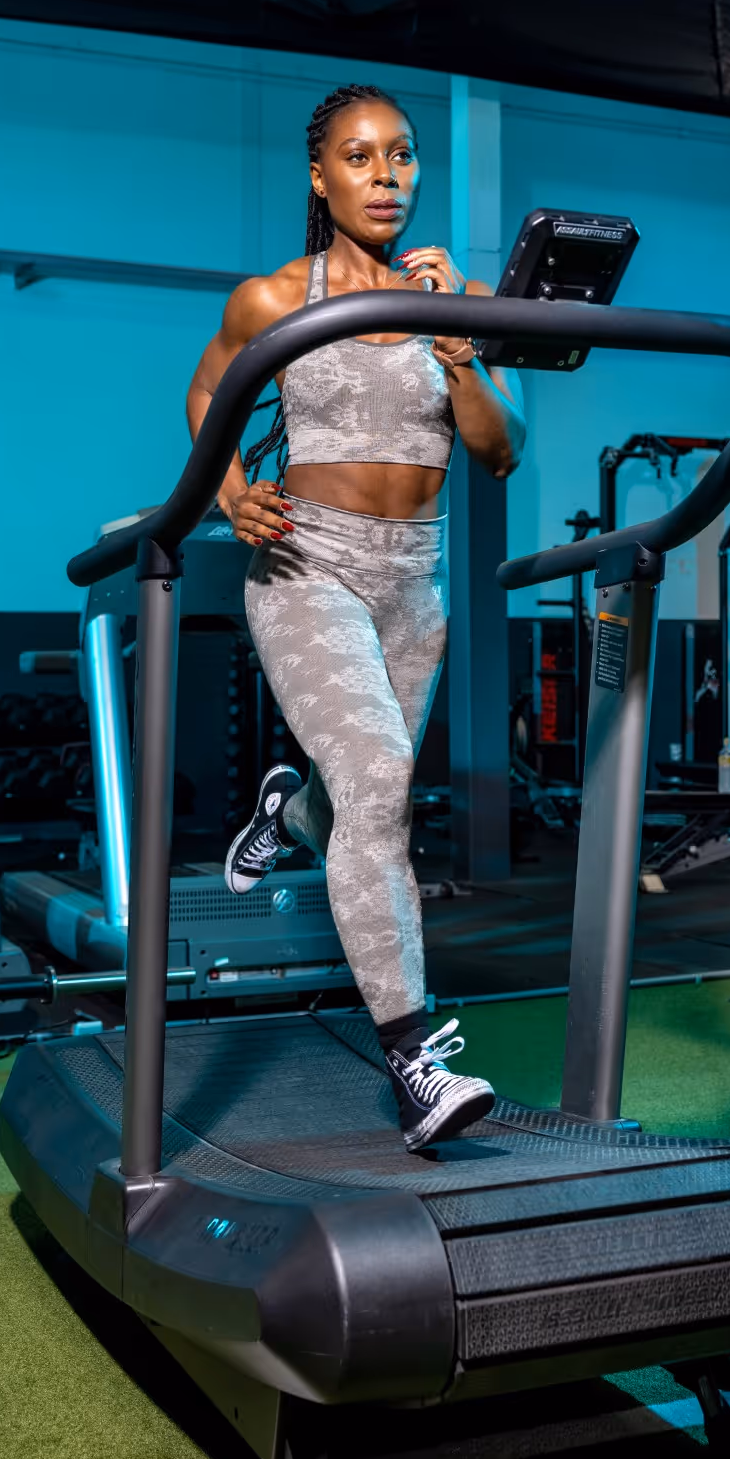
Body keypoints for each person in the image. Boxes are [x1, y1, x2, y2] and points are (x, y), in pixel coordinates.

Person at [186, 83, 525, 1150]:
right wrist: (230, 487)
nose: (387, 175)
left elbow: (501, 446)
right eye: (361, 156)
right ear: (320, 175)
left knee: (360, 804)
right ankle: (416, 1065)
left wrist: (463, 344)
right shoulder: (274, 298)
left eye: (403, 156)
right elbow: (206, 395)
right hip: (306, 562)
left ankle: (287, 806)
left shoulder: (450, 298)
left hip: (414, 581)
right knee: (379, 787)